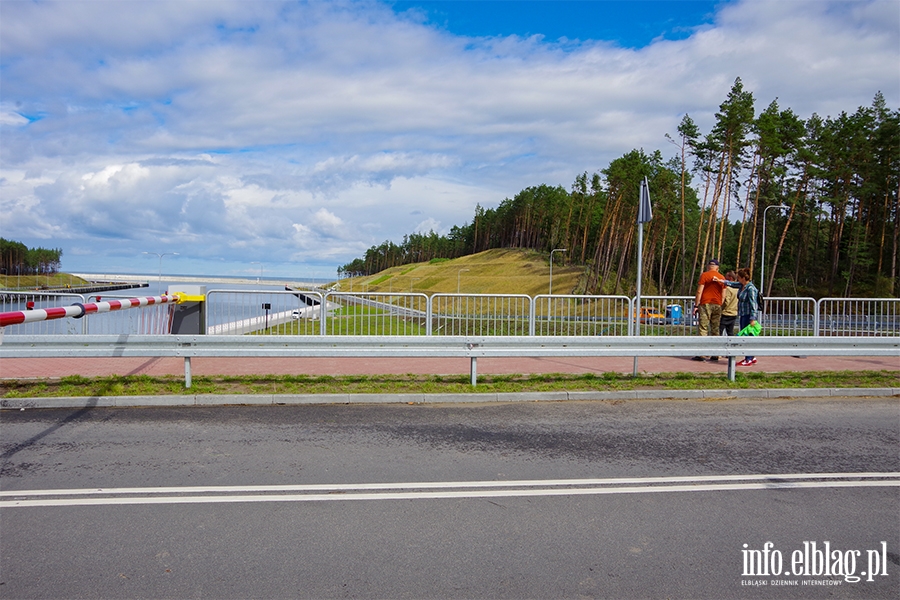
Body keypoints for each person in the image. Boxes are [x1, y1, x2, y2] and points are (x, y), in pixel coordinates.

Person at [691, 259, 726, 361]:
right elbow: (723, 294)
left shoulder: (704, 275)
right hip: (717, 304)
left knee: (703, 328)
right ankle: (716, 354)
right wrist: (720, 303)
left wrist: (696, 305)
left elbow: (699, 291)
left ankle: (701, 353)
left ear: (708, 266)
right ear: (717, 267)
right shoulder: (722, 278)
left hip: (705, 303)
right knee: (715, 329)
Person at [736, 267, 760, 366]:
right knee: (747, 335)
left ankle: (748, 359)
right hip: (743, 314)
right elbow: (732, 284)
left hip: (748, 316)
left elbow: (753, 303)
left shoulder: (750, 288)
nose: (737, 279)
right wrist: (721, 281)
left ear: (743, 278)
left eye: (738, 277)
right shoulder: (742, 286)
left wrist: (753, 318)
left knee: (747, 337)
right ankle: (751, 357)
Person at [720, 271, 739, 336]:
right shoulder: (738, 288)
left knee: (719, 331)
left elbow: (726, 301)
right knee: (730, 332)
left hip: (726, 313)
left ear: (730, 278)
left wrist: (720, 307)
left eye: (726, 277)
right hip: (734, 313)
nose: (724, 279)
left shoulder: (728, 289)